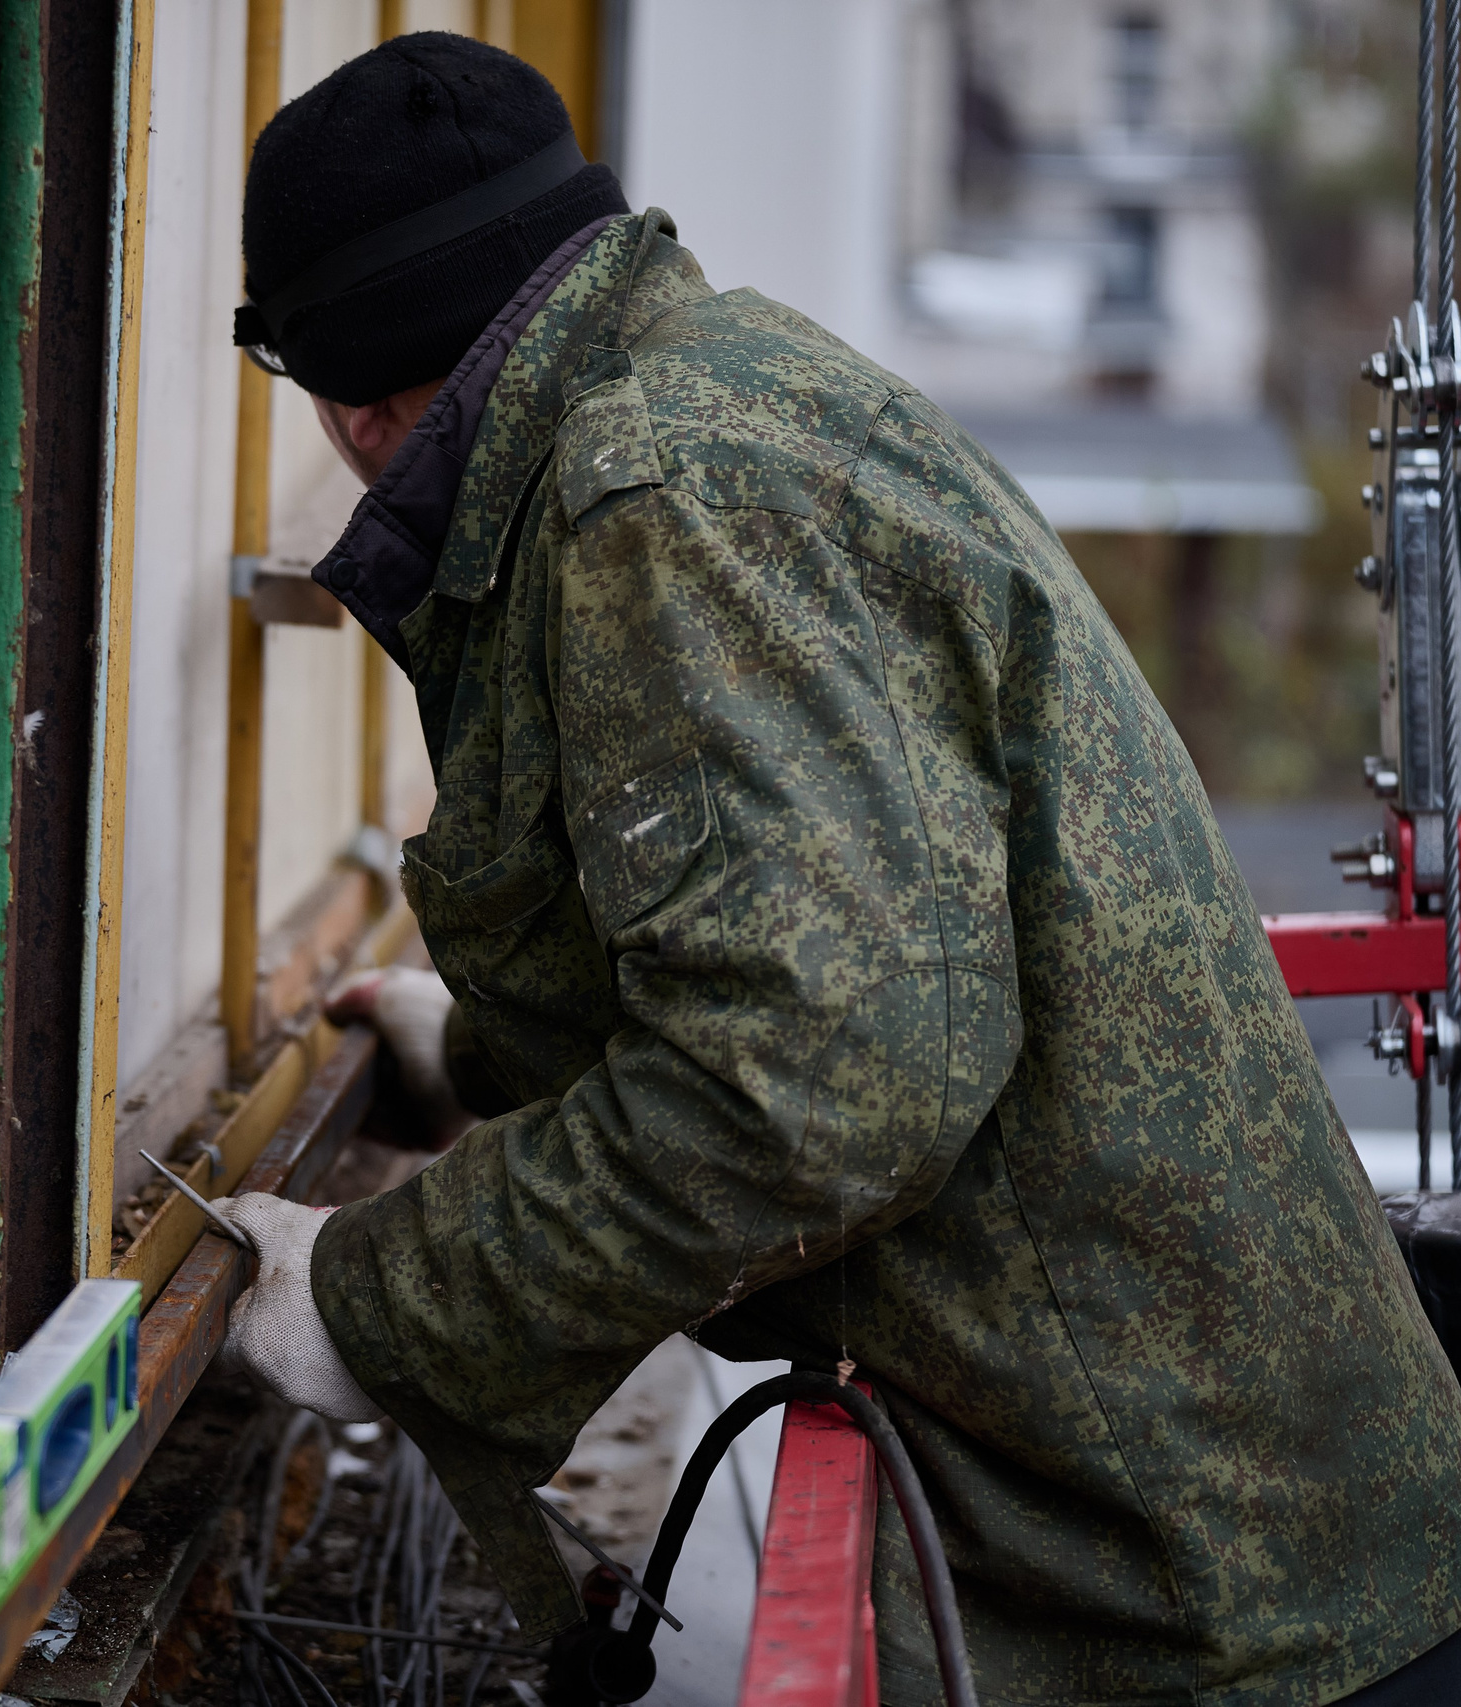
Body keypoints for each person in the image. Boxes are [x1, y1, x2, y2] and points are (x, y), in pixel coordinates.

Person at [208, 32, 1461, 1707]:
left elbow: (815, 1077)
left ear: (360, 402)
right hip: (1235, 1514)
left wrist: (385, 1295)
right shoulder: (727, 383)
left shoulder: (660, 494)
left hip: (1198, 1596)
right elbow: (830, 925)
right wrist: (499, 1059)